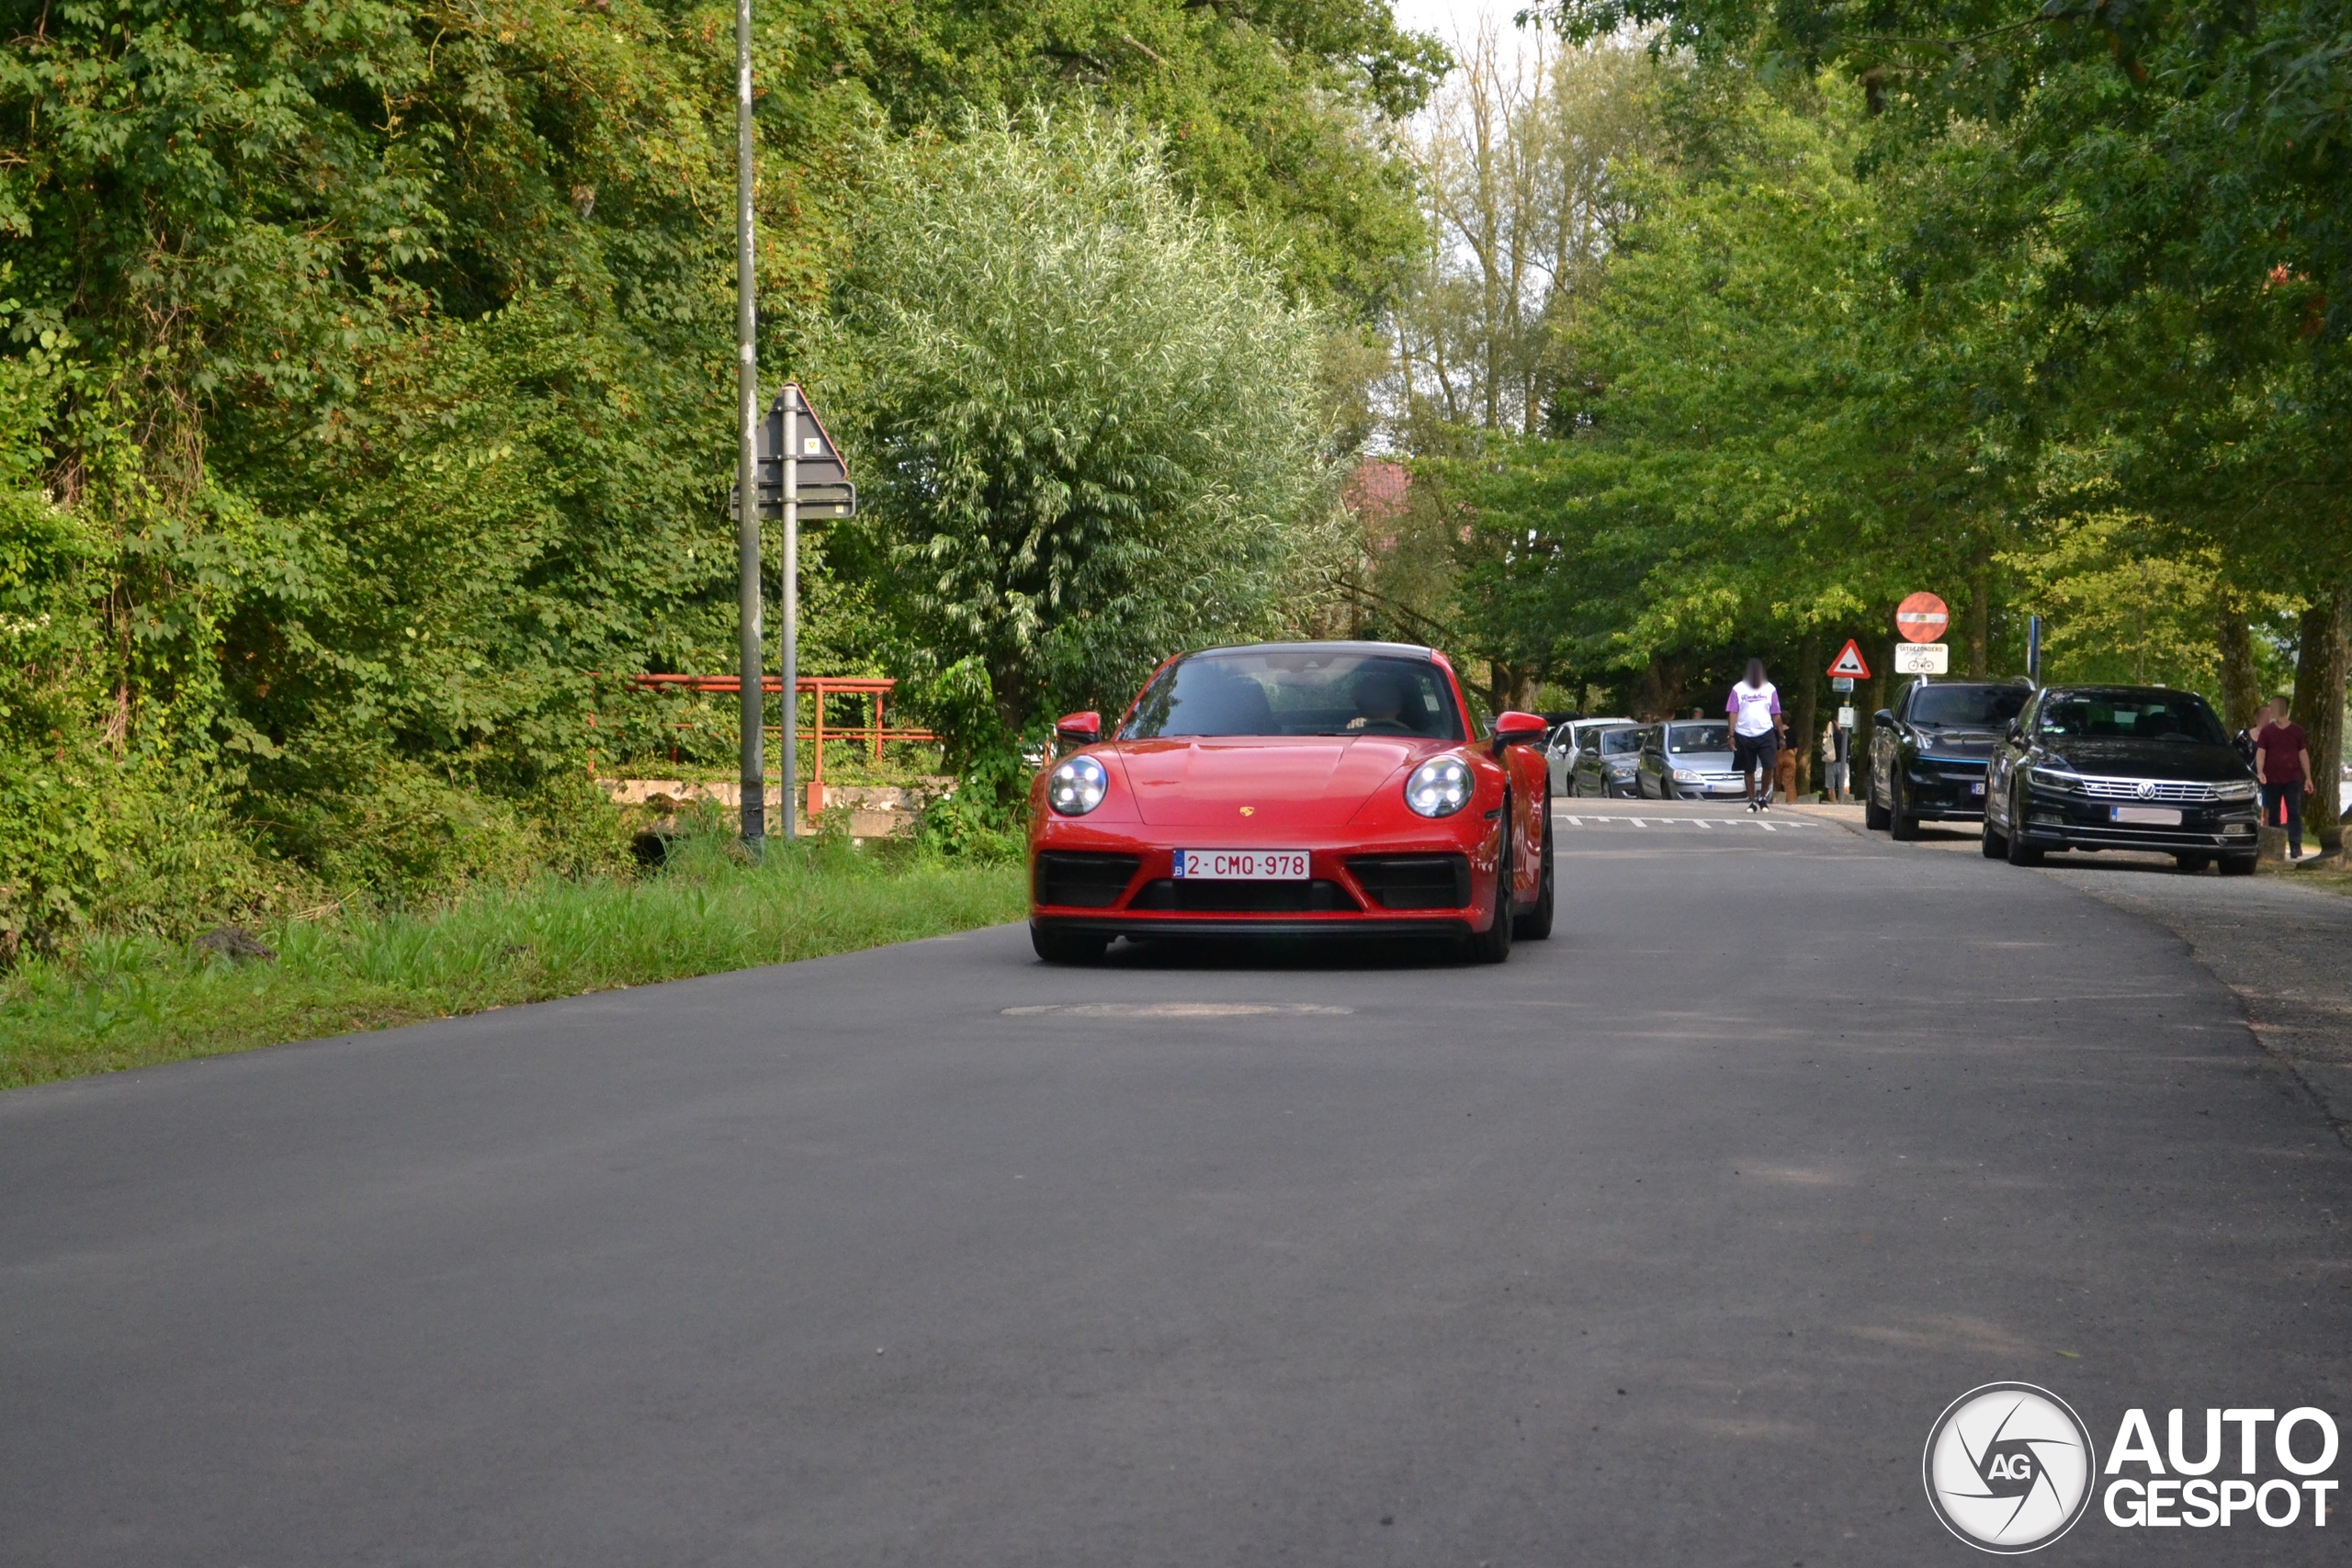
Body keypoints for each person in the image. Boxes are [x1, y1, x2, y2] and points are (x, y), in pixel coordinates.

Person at [2254, 694, 2312, 859]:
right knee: (2274, 813)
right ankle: (2275, 846)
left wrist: (2308, 777)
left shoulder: (2296, 731)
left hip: (2292, 779)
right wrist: (2260, 772)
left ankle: (2295, 845)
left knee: (2294, 811)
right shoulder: (2267, 732)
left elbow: (2303, 754)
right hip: (2272, 779)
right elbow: (2261, 753)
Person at [1726, 659, 1781, 812]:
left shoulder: (1770, 689)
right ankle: (1751, 801)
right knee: (1748, 769)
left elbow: (1776, 714)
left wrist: (1781, 736)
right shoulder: (1738, 689)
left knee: (1769, 766)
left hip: (1766, 732)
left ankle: (1762, 796)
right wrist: (1731, 736)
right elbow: (1733, 712)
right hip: (1744, 733)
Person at [1820, 716, 1850, 804]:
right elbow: (1850, 749)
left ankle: (1833, 803)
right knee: (1845, 785)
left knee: (1830, 786)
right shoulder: (1846, 735)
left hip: (1830, 762)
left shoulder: (1828, 736)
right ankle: (1844, 803)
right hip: (1843, 763)